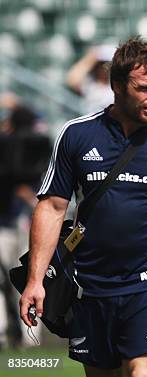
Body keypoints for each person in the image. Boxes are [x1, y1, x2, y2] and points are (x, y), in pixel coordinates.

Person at [19, 36, 147, 376]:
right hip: (89, 286)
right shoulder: (76, 135)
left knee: (142, 370)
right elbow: (52, 208)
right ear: (116, 85)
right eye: (144, 88)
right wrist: (35, 280)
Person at [0, 99, 51, 349]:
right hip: (24, 222)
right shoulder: (41, 146)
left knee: (10, 282)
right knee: (28, 280)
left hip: (12, 222)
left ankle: (8, 334)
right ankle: (28, 336)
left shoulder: (7, 145)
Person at [66, 44, 115, 113]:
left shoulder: (117, 85)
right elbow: (72, 80)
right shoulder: (90, 83)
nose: (105, 67)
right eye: (102, 64)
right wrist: (90, 58)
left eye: (109, 64)